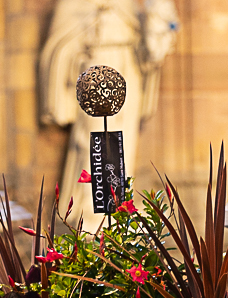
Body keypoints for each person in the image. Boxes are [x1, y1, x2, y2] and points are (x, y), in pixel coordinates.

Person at [39, 0, 178, 229]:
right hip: (98, 62)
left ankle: (118, 208)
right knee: (97, 137)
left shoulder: (131, 5)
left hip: (128, 64)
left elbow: (153, 39)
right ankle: (95, 212)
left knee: (123, 138)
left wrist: (158, 24)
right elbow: (63, 36)